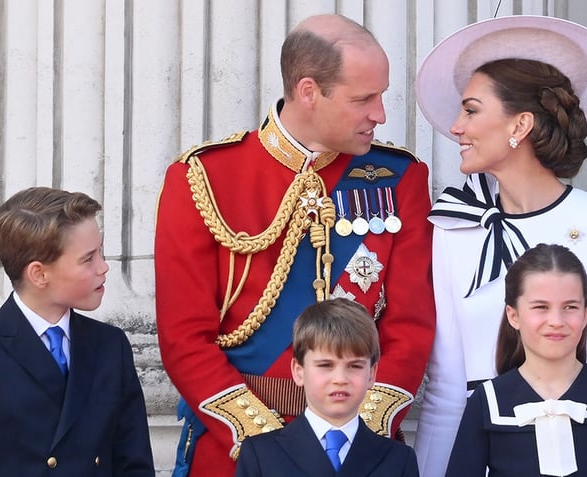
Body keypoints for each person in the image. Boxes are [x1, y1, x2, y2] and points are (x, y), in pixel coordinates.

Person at [155, 13, 435, 477]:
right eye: (364, 98)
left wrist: (351, 434)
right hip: (240, 448)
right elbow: (184, 338)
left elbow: (410, 327)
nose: (381, 114)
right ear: (308, 91)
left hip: (357, 451)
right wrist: (269, 444)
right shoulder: (203, 178)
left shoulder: (399, 177)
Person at [413, 15, 587, 476]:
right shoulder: (453, 228)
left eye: (472, 110)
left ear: (520, 123)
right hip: (480, 455)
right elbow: (444, 386)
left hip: (583, 451)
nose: (457, 127)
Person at [0, 187, 155, 477]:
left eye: (100, 252)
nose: (104, 267)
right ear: (39, 274)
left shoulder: (110, 345)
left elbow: (134, 463)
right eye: (88, 259)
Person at [445, 243, 587, 476]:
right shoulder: (487, 400)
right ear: (513, 315)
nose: (556, 320)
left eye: (570, 307)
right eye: (541, 307)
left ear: (586, 315)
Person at [235, 298, 419, 476]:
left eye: (354, 366)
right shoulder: (261, 454)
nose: (340, 379)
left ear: (371, 374)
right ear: (299, 371)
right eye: (325, 365)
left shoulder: (399, 459)